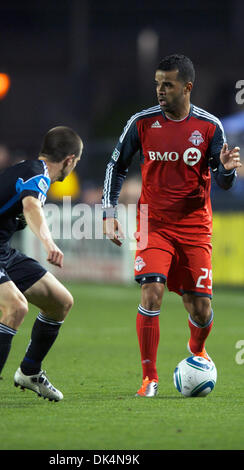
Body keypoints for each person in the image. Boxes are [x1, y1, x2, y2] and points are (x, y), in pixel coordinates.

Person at [102, 54, 241, 397]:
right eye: (157, 84)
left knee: (200, 306)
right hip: (154, 223)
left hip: (195, 226)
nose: (160, 90)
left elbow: (222, 183)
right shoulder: (142, 122)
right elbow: (115, 166)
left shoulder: (209, 126)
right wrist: (108, 212)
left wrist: (225, 169)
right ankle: (149, 377)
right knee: (152, 291)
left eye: (168, 84)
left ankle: (197, 350)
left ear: (187, 87)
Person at [0, 126, 83, 408]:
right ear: (69, 160)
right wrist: (49, 244)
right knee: (16, 307)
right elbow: (31, 206)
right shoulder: (38, 176)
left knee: (61, 302)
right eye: (76, 163)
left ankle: (30, 371)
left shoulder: (25, 170)